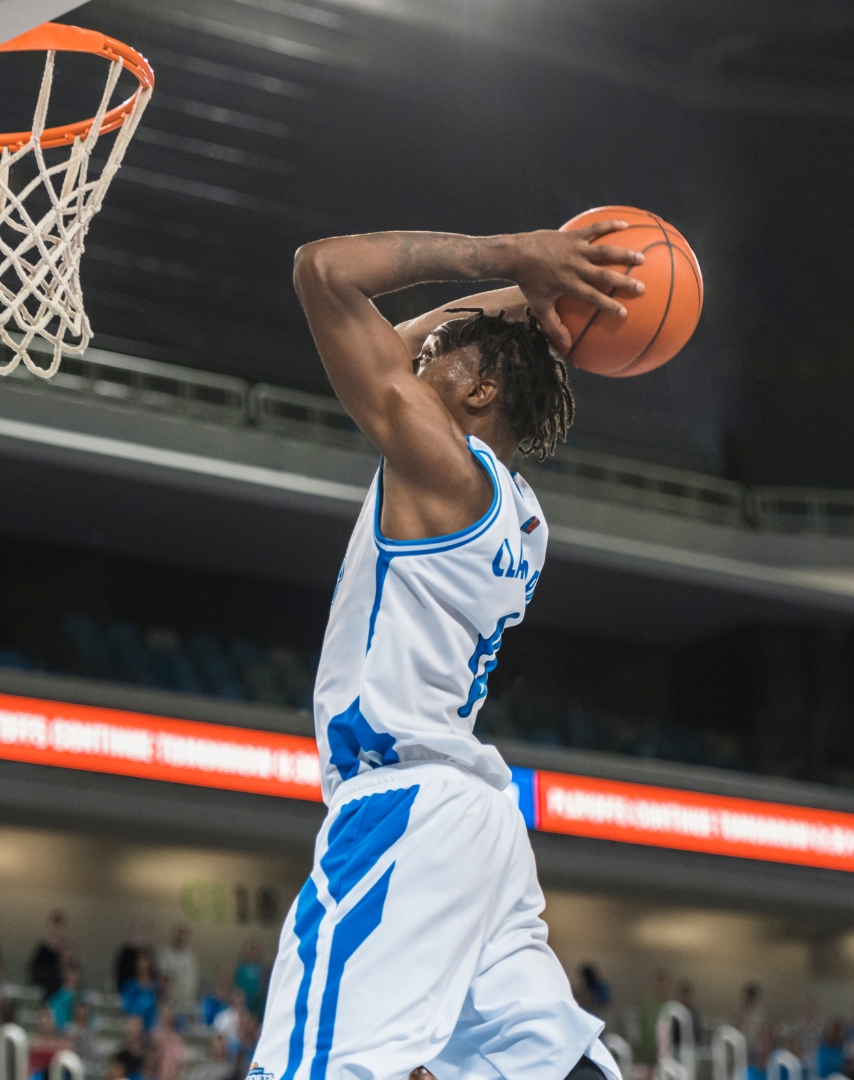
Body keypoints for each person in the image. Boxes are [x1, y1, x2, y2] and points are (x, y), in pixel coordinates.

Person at [246, 222, 638, 1080]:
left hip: (403, 811)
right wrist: (532, 299)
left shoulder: (441, 472)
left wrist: (509, 258)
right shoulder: (521, 516)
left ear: (480, 391)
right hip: (479, 825)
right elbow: (400, 342)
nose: (415, 361)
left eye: (442, 362)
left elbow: (322, 272)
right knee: (553, 1066)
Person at [155, 926, 198, 1021]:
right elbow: (163, 982)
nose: (181, 938)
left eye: (184, 936)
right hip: (171, 1006)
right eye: (179, 935)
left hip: (187, 1005)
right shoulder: (166, 956)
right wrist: (164, 1004)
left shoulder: (190, 957)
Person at [26, 912, 69, 1003]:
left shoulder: (65, 950)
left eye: (60, 928)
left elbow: (68, 972)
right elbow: (33, 970)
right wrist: (37, 985)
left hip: (59, 991)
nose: (57, 931)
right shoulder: (42, 949)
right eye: (55, 927)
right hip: (45, 989)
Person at [112, 921, 153, 998]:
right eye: (138, 931)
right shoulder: (125, 953)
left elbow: (154, 975)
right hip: (128, 994)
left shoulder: (150, 951)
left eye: (143, 930)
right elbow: (119, 975)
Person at [118, 955, 158, 1035]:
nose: (142, 966)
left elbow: (158, 1008)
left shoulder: (156, 987)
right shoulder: (129, 985)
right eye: (140, 963)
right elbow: (126, 1006)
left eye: (145, 962)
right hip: (133, 1023)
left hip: (152, 1027)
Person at [44, 963, 81, 1032]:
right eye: (69, 973)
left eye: (74, 973)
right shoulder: (56, 998)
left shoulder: (82, 996)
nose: (71, 976)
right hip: (61, 1032)